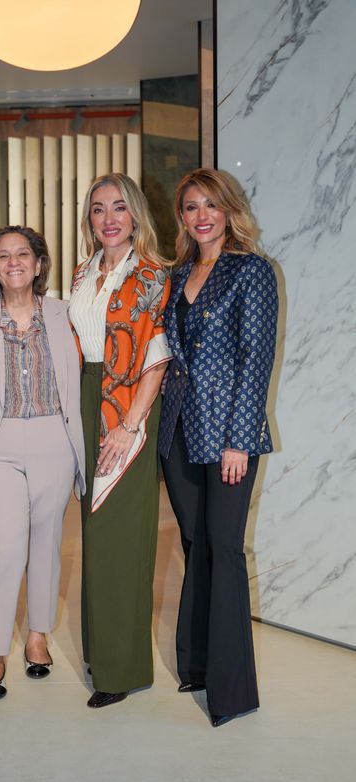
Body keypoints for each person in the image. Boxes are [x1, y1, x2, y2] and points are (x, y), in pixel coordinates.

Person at [158, 168, 278, 727]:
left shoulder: (251, 271)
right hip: (179, 429)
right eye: (191, 207)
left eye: (211, 205)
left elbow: (256, 361)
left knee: (224, 547)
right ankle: (198, 665)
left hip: (229, 433)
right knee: (195, 543)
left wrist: (238, 442)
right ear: (182, 218)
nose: (201, 216)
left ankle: (232, 693)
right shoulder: (179, 272)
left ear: (229, 210)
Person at [0, 226, 86, 700]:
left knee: (47, 543)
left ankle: (37, 635)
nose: (14, 262)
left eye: (23, 254)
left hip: (55, 439)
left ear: (38, 263)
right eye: (3, 256)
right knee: (5, 546)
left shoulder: (66, 315)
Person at [68, 173, 172, 708]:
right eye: (98, 209)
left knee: (121, 537)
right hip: (86, 396)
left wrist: (129, 424)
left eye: (118, 208)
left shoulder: (152, 274)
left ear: (135, 216)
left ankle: (122, 669)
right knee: (94, 534)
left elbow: (157, 356)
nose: (108, 218)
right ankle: (100, 652)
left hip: (127, 405)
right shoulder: (82, 272)